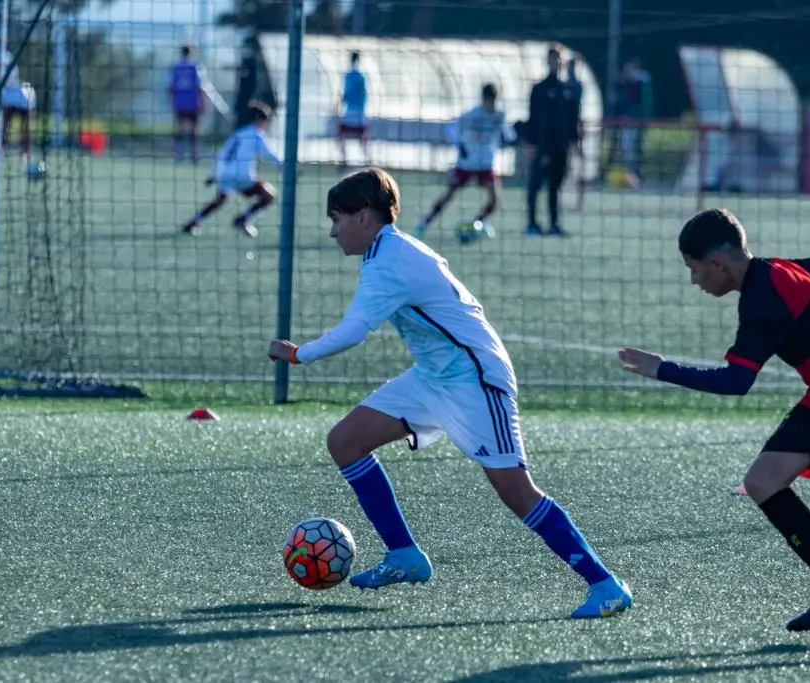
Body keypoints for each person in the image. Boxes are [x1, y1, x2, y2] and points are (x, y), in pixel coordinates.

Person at [267, 167, 633, 619]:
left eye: (337, 218)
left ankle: (606, 585)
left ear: (364, 216)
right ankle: (404, 556)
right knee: (345, 441)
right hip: (434, 376)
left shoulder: (390, 260)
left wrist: (300, 354)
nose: (331, 230)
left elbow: (354, 331)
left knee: (517, 491)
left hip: (476, 379)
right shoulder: (387, 252)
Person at [618, 207, 810, 632]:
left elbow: (736, 381)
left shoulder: (763, 302)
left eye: (694, 270)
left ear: (718, 264)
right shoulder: (772, 269)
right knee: (763, 481)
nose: (694, 281)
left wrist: (661, 368)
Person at [414, 83, 514, 237]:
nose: (490, 105)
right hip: (466, 165)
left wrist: (510, 138)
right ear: (483, 100)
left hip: (486, 165)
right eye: (487, 101)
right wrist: (460, 145)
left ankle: (477, 223)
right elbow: (450, 128)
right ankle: (425, 223)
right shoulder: (472, 114)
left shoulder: (499, 116)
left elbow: (510, 135)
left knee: (495, 199)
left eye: (492, 101)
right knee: (449, 195)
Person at [182, 101, 281, 238]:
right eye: (267, 121)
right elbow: (269, 154)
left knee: (220, 200)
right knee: (270, 195)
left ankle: (193, 222)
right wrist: (283, 166)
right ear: (259, 120)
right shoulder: (257, 135)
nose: (267, 125)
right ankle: (242, 219)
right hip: (242, 176)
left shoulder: (237, 134)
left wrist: (214, 175)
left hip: (224, 175)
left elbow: (223, 155)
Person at [524, 44, 580, 237]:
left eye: (558, 59)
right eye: (552, 59)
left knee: (555, 187)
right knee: (535, 185)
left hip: (560, 148)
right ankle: (531, 224)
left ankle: (554, 224)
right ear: (547, 62)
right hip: (542, 146)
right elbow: (532, 119)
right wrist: (531, 144)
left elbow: (573, 121)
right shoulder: (538, 90)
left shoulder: (568, 91)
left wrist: (575, 144)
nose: (555, 63)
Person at [168, 45, 205, 163]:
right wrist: (202, 102)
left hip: (179, 102)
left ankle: (179, 154)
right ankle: (194, 154)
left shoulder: (175, 67)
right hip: (193, 102)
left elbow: (170, 86)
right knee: (194, 129)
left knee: (179, 129)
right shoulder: (195, 67)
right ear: (191, 53)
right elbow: (200, 86)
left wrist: (172, 100)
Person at [0, 49, 35, 161]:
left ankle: (25, 152)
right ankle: (2, 150)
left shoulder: (6, 57)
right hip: (7, 94)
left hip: (17, 93)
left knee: (26, 125)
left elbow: (12, 78)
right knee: (4, 124)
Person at [336, 51, 370, 169]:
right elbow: (365, 95)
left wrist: (338, 106)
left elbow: (346, 94)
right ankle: (367, 161)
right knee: (361, 137)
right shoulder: (362, 76)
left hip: (351, 112)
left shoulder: (349, 76)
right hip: (359, 113)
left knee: (342, 135)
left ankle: (344, 160)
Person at [564, 56, 586, 210]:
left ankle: (579, 201)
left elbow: (575, 112)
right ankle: (567, 200)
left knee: (579, 167)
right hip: (568, 131)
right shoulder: (569, 86)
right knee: (568, 168)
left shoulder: (575, 86)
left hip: (573, 130)